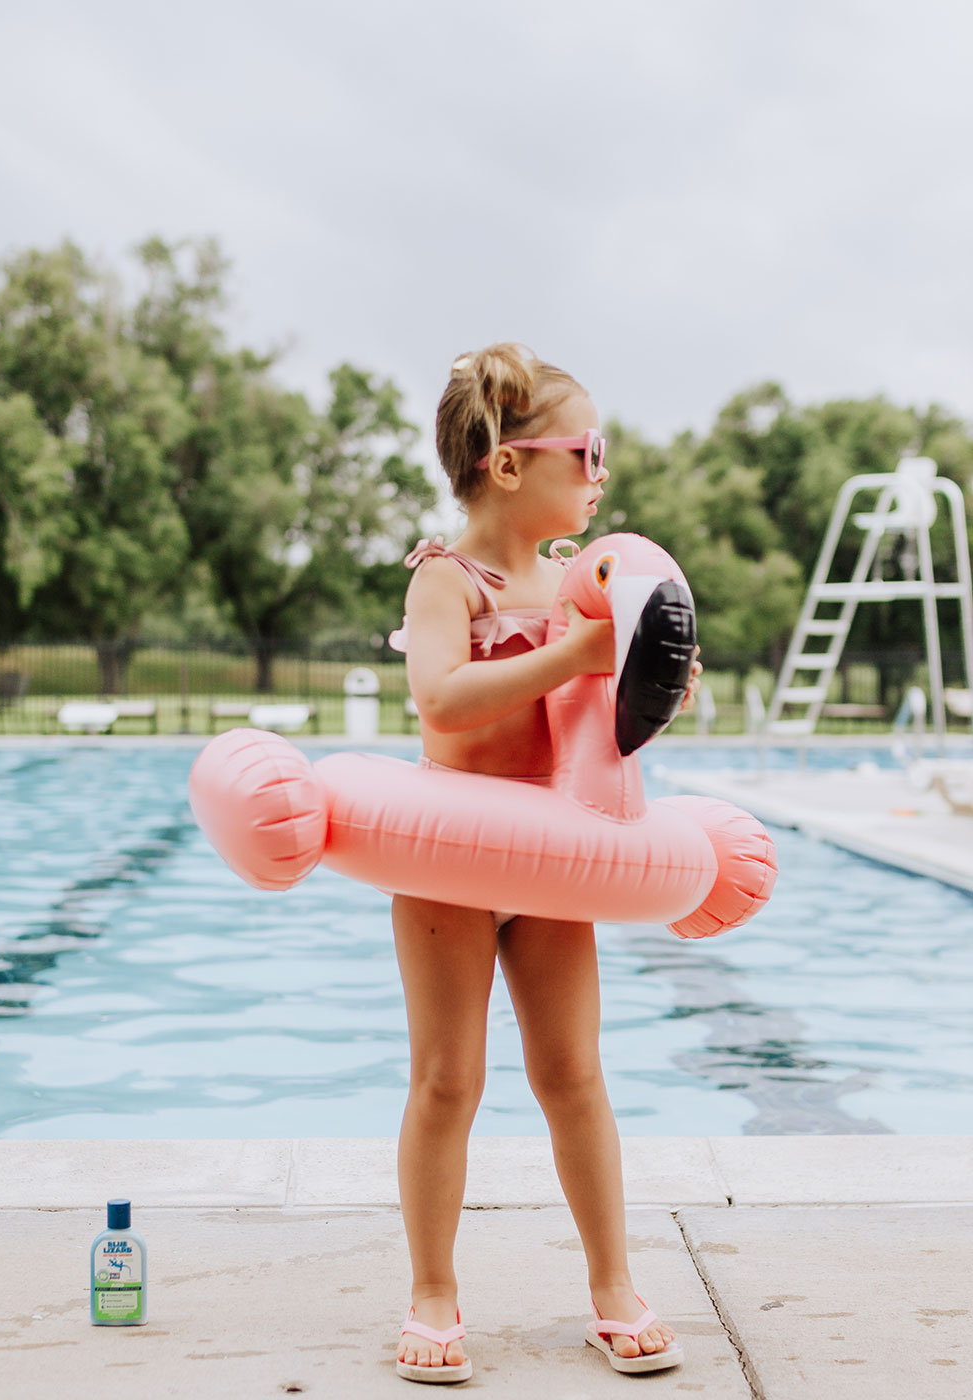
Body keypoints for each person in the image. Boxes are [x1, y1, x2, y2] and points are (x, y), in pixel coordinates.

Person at [390, 343, 700, 1384]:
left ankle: (611, 1281)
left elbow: (591, 726)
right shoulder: (451, 576)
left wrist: (650, 687)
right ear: (508, 466)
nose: (601, 470)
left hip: (550, 856)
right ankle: (433, 1289)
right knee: (448, 1078)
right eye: (587, 449)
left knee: (573, 1073)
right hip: (451, 859)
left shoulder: (580, 585)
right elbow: (440, 700)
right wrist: (573, 651)